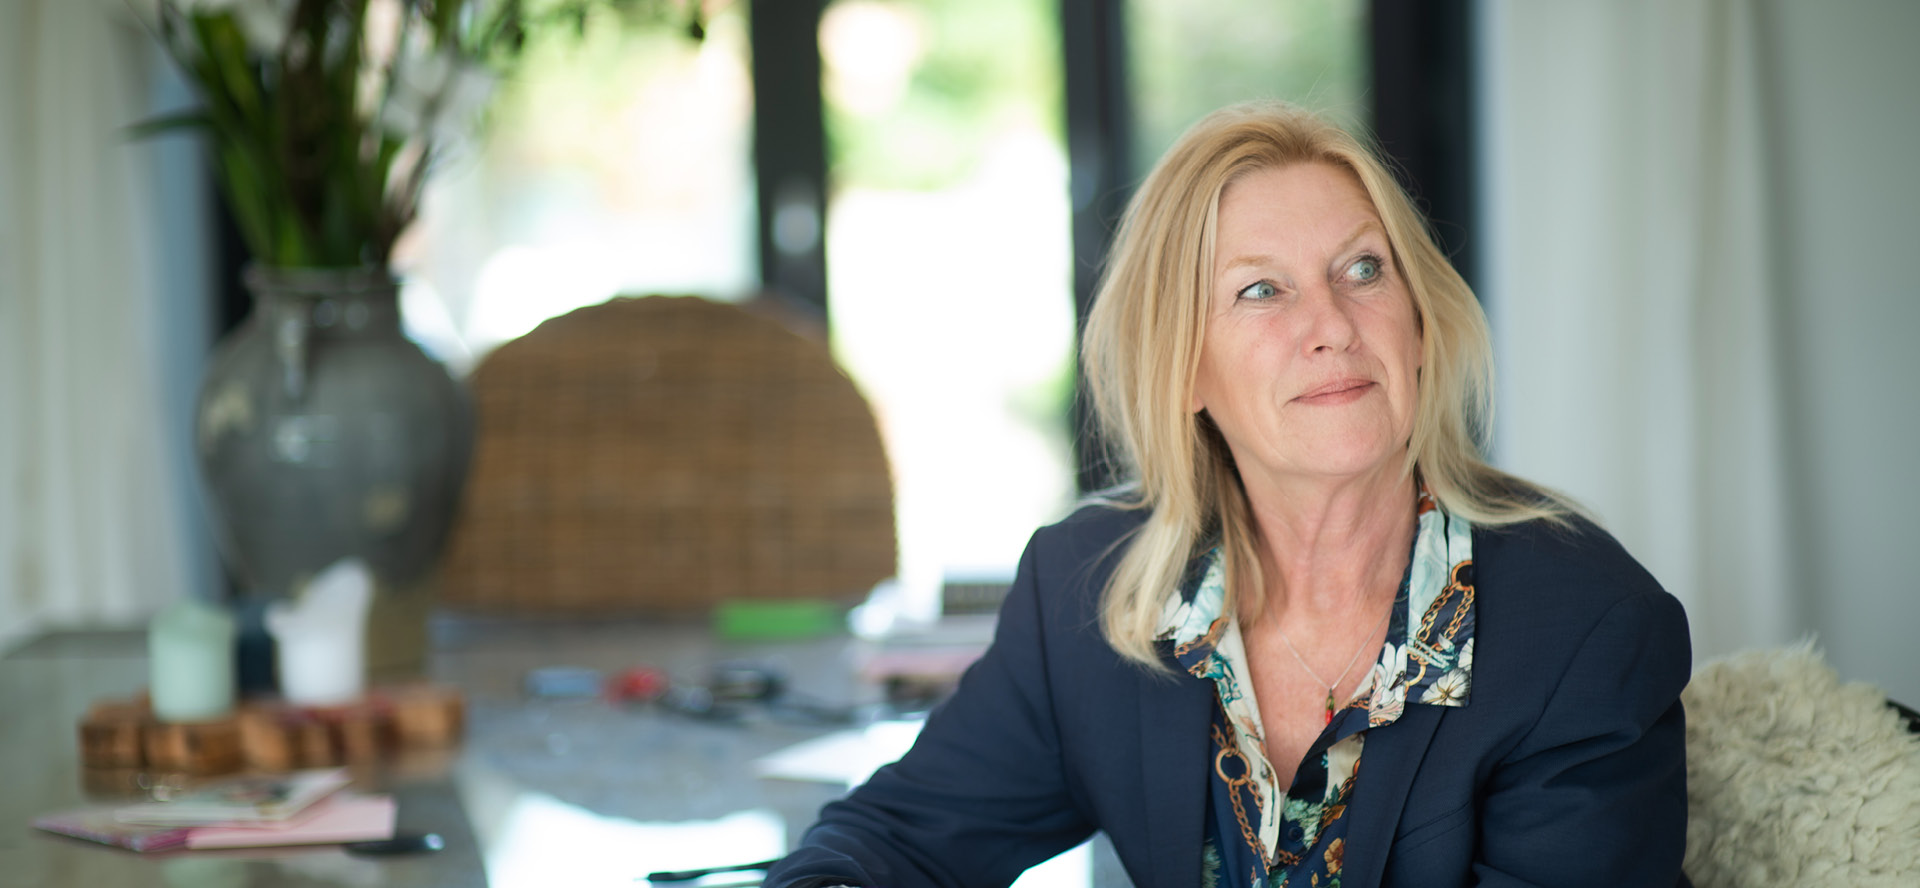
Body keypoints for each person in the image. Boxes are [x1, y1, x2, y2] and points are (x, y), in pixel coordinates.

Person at [765, 101, 1692, 888]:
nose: (1332, 325)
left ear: (1418, 324)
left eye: (1363, 269)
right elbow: (896, 838)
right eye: (1261, 291)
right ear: (1182, 369)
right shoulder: (1089, 590)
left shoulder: (1585, 629)